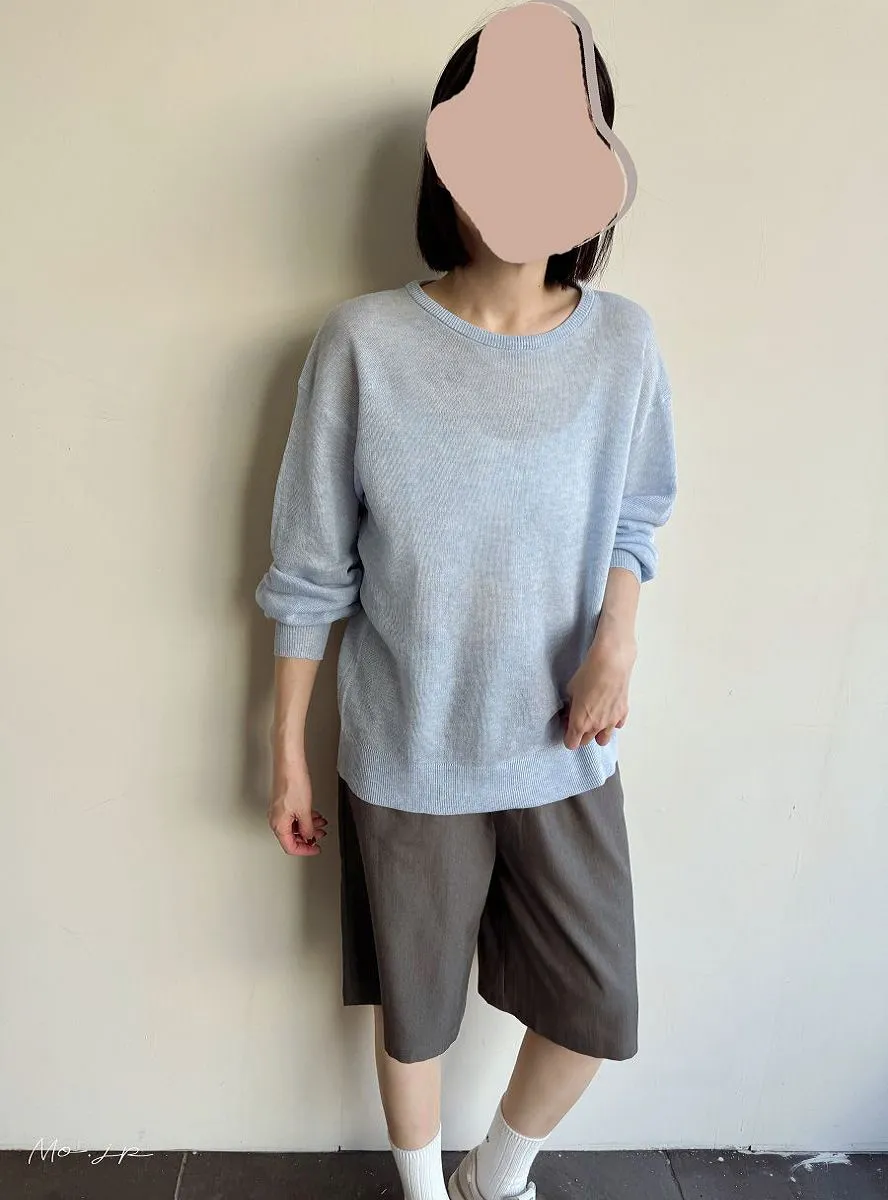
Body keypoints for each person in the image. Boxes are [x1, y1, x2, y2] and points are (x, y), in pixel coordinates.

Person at [254, 10, 677, 1200]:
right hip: (410, 745)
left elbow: (637, 516)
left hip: (561, 744)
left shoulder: (623, 346)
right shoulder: (364, 343)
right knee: (418, 1010)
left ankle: (497, 1176)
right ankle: (425, 1195)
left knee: (596, 1004)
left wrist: (617, 638)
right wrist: (286, 750)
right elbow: (309, 567)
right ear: (448, 161)